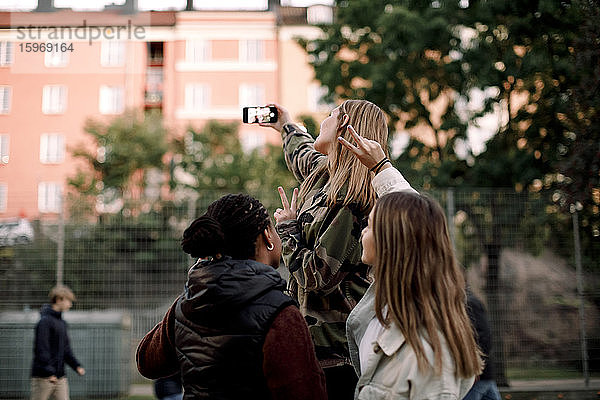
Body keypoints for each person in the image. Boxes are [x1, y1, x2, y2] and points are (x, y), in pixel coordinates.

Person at [136, 193, 327, 400]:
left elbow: (147, 362)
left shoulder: (188, 304)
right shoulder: (281, 314)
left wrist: (198, 284)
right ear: (267, 236)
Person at [340, 125, 483, 398]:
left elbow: (418, 225)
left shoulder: (430, 355)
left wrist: (382, 167)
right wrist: (380, 169)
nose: (362, 232)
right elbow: (419, 225)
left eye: (369, 226)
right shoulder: (385, 308)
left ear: (390, 242)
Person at [261, 100, 390, 399]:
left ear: (345, 128)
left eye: (331, 115)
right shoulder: (324, 174)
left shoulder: (350, 202)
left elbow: (316, 277)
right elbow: (303, 155)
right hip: (313, 352)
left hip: (337, 358)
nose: (324, 120)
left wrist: (289, 229)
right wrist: (285, 124)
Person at [31, 286, 85, 400]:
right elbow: (41, 348)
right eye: (68, 301)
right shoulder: (45, 322)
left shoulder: (62, 323)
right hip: (43, 376)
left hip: (60, 376)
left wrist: (76, 366)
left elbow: (65, 349)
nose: (70, 304)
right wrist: (48, 371)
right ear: (59, 299)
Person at [464, 290, 502, 400]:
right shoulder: (466, 302)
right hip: (481, 373)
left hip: (477, 373)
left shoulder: (469, 303)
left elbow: (484, 337)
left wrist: (475, 367)